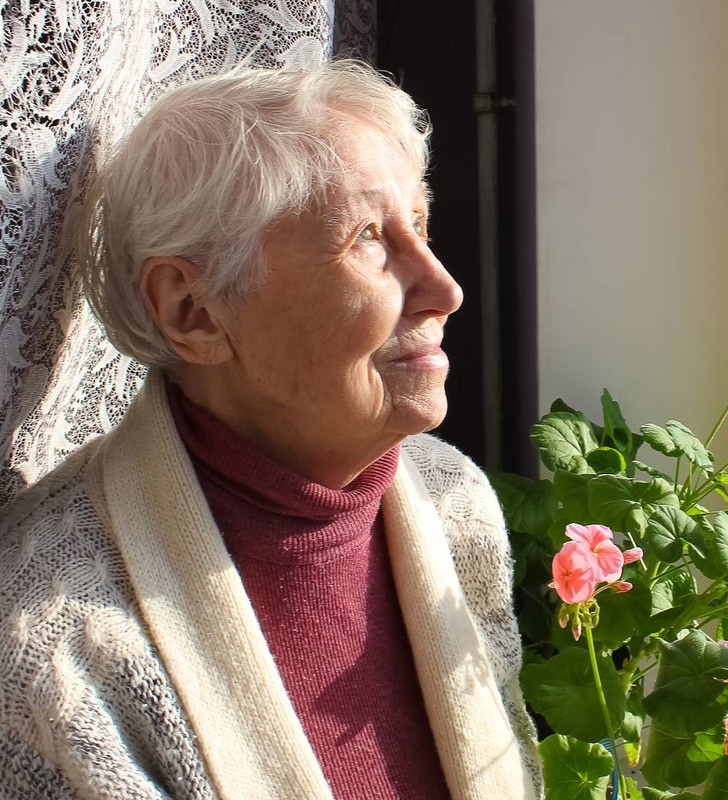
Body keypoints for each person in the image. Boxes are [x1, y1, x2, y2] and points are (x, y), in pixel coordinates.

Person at [0, 62, 541, 799]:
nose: (445, 288)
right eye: (367, 239)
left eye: (419, 223)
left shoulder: (454, 502)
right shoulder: (55, 641)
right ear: (193, 310)